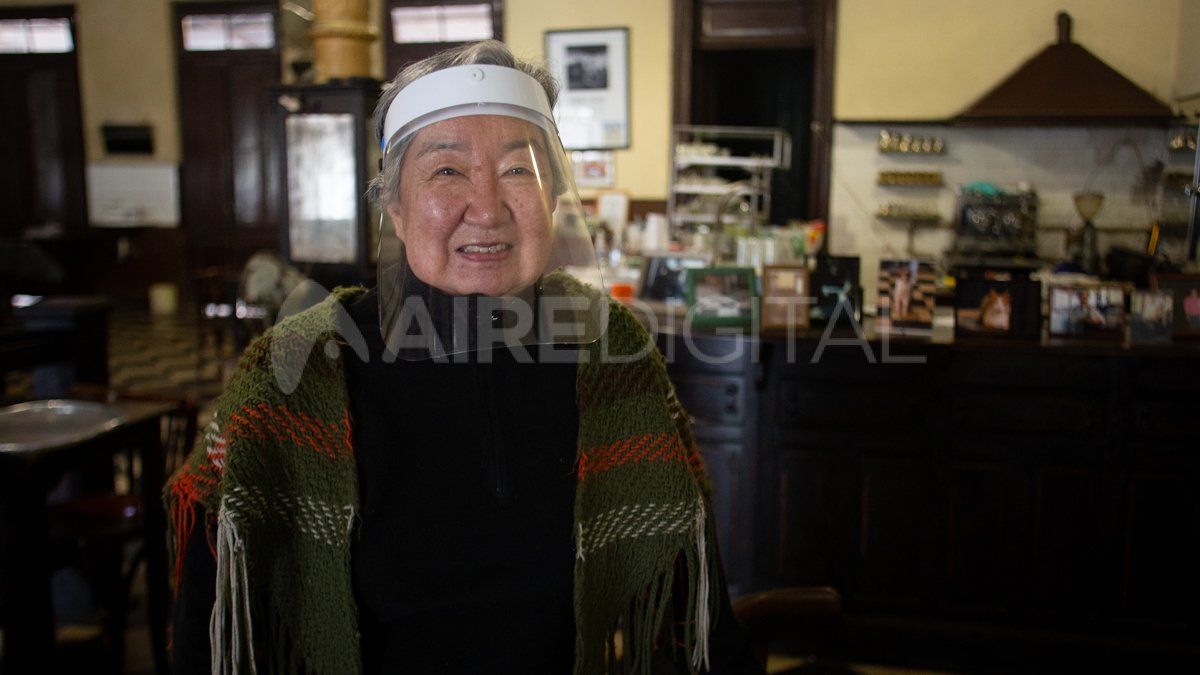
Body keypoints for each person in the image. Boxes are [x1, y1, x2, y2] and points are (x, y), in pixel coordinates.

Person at [166, 41, 761, 675]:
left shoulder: (611, 352)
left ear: (553, 197)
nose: (487, 208)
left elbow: (696, 613)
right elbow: (212, 629)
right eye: (447, 171)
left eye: (518, 170)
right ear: (395, 207)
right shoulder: (298, 367)